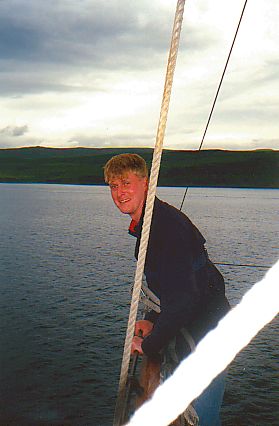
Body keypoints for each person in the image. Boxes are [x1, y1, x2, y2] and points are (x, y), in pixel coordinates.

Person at [104, 153, 230, 426]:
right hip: (197, 330)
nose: (119, 193)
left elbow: (184, 299)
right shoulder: (150, 225)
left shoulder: (165, 228)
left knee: (201, 418)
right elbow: (169, 288)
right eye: (113, 186)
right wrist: (152, 320)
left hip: (206, 338)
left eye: (126, 183)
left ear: (145, 183)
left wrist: (150, 344)